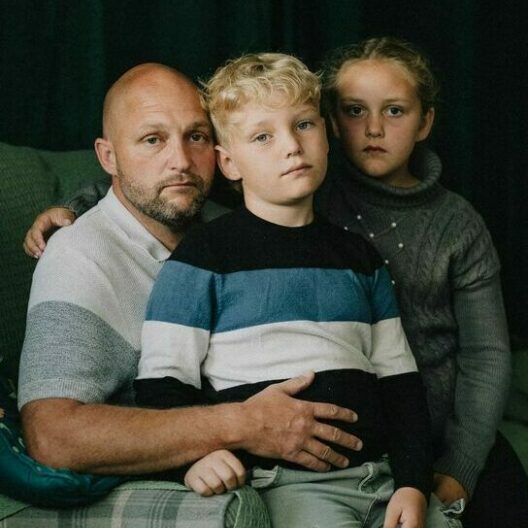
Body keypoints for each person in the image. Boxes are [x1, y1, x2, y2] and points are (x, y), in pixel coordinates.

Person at [133, 51, 460, 528]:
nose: (291, 145)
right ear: (228, 162)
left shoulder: (359, 257)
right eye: (263, 136)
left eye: (303, 124)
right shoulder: (202, 259)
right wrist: (192, 459)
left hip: (385, 479)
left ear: (326, 135)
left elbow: (400, 384)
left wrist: (413, 482)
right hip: (289, 486)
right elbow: (162, 383)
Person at [17, 63, 366, 485]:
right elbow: (53, 436)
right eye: (153, 140)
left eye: (196, 136)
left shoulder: (229, 225)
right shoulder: (79, 256)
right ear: (108, 156)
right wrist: (242, 425)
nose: (180, 162)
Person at [317, 36, 528, 527]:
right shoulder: (311, 197)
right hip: (350, 438)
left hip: (441, 432)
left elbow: (486, 352)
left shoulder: (458, 223)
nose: (373, 128)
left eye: (394, 111)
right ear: (329, 119)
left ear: (425, 121)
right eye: (353, 110)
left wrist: (461, 466)